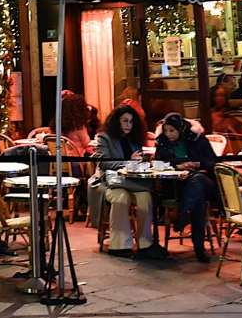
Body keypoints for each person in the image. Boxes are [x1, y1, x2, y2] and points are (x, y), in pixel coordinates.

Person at [90, 105, 165, 259]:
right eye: (125, 121)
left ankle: (145, 243)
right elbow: (103, 163)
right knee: (121, 198)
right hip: (110, 181)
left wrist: (143, 163)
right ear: (116, 122)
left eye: (131, 122)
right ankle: (119, 245)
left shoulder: (134, 139)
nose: (128, 125)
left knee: (145, 197)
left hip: (132, 180)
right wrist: (127, 161)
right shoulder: (104, 138)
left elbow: (136, 162)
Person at [153, 113, 216, 262]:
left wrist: (197, 164)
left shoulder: (197, 139)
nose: (169, 134)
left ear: (181, 129)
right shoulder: (162, 142)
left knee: (198, 181)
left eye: (172, 131)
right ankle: (199, 248)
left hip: (203, 180)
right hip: (177, 186)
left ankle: (183, 215)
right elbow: (158, 164)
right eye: (166, 130)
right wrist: (177, 166)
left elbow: (213, 162)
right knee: (197, 200)